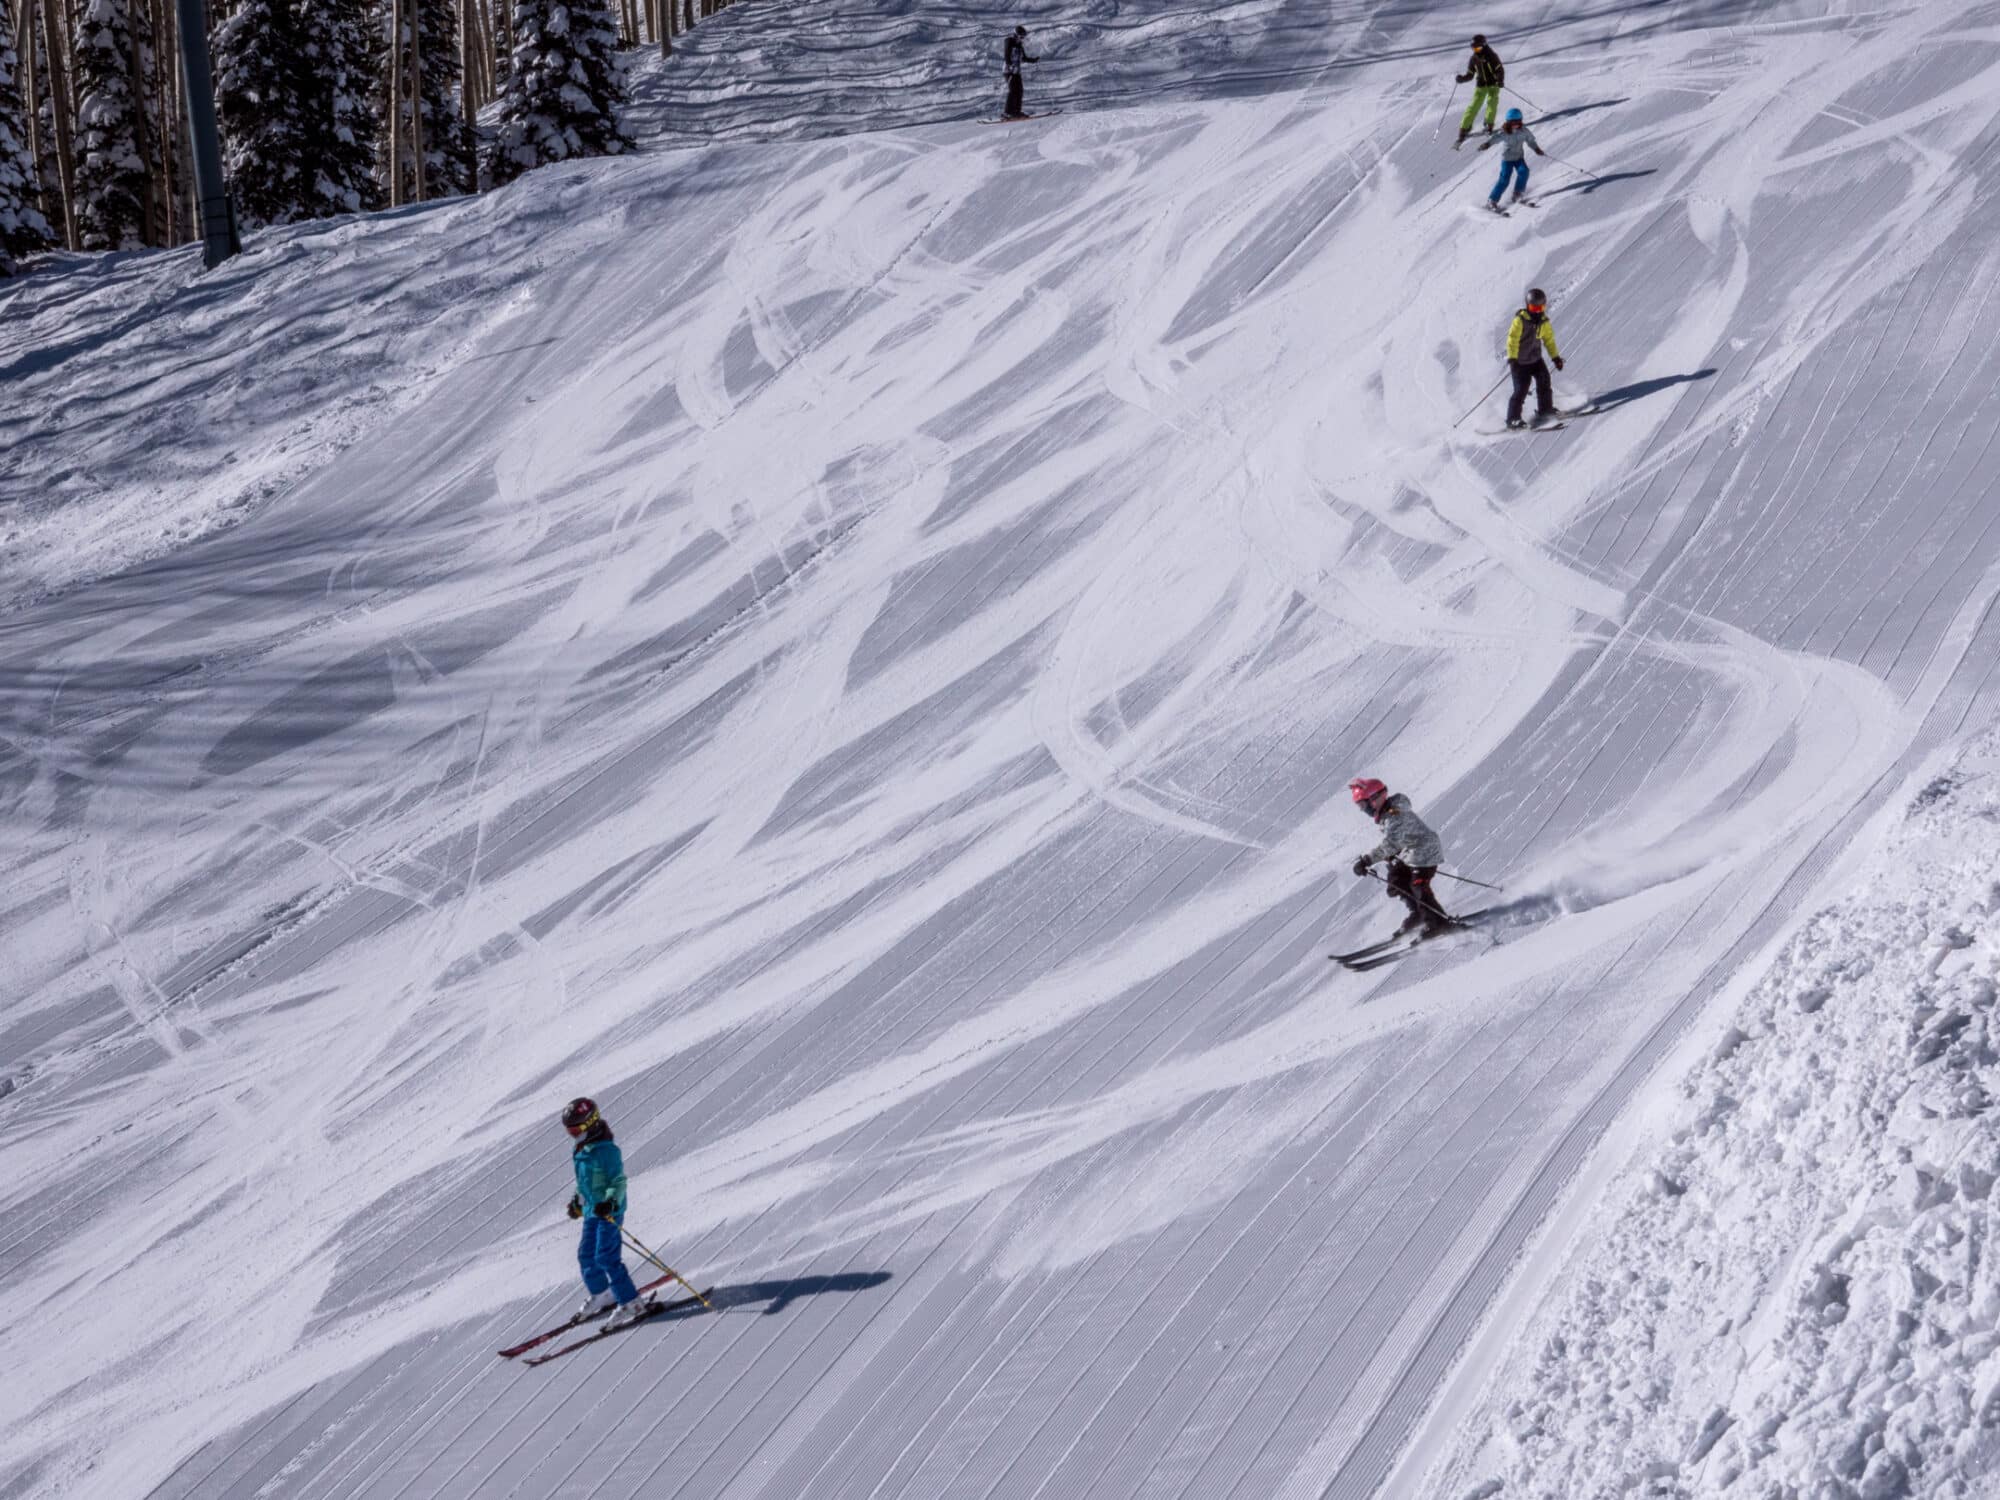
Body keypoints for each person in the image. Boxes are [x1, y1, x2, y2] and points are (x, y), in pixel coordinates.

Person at [563, 1096, 646, 1328]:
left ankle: (632, 1302)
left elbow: (618, 1181)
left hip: (609, 1211)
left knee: (606, 1257)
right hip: (592, 1211)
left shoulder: (606, 1151)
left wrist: (609, 1202)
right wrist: (577, 1203)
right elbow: (584, 1183)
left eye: (575, 1129)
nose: (573, 1134)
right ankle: (603, 1294)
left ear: (590, 1124)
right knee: (586, 1255)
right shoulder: (581, 1151)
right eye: (569, 1131)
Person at [1348, 777, 1452, 936]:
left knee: (1418, 885)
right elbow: (1397, 843)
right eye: (1360, 806)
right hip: (1411, 853)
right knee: (1397, 880)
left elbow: (1391, 844)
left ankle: (1438, 922)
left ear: (1375, 798)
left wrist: (1367, 860)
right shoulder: (1387, 814)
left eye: (1363, 804)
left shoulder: (1394, 815)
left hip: (1425, 851)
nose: (1363, 810)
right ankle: (1418, 913)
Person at [1503, 286, 1564, 429]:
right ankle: (1513, 419)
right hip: (1520, 362)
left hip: (1536, 359)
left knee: (1544, 380)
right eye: (1534, 308)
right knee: (1521, 389)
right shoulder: (1520, 320)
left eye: (1540, 308)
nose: (1537, 311)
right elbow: (1512, 339)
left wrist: (1555, 358)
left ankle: (1545, 409)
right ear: (1527, 306)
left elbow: (1549, 340)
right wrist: (1512, 358)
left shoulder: (1544, 321)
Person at [1478, 107, 1544, 209]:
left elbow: (1530, 141)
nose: (1516, 124)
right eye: (1513, 122)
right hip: (1507, 160)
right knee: (1504, 179)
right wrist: (1487, 144)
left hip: (1518, 158)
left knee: (1524, 171)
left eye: (1518, 121)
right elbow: (1494, 139)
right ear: (1508, 122)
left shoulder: (1524, 131)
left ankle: (1517, 193)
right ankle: (1492, 200)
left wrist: (1536, 149)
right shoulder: (1504, 132)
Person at [1454, 34, 1505, 147]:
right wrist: (1462, 79)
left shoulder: (1492, 56)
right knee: (1474, 105)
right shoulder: (1474, 59)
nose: (1476, 50)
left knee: (1492, 103)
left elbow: (1499, 69)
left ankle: (1489, 124)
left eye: (1478, 48)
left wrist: (1500, 80)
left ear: (1484, 45)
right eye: (1473, 48)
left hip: (1493, 84)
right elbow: (1470, 74)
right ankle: (1465, 127)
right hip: (1481, 85)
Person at [1003, 25, 1039, 119]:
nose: (1022, 39)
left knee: (1020, 91)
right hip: (1009, 71)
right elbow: (1006, 54)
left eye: (1023, 37)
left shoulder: (1019, 45)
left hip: (1017, 72)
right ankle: (1007, 112)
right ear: (1016, 35)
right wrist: (1010, 65)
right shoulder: (1009, 41)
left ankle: (1016, 112)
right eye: (1021, 37)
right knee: (1012, 91)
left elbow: (1023, 58)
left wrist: (1033, 60)